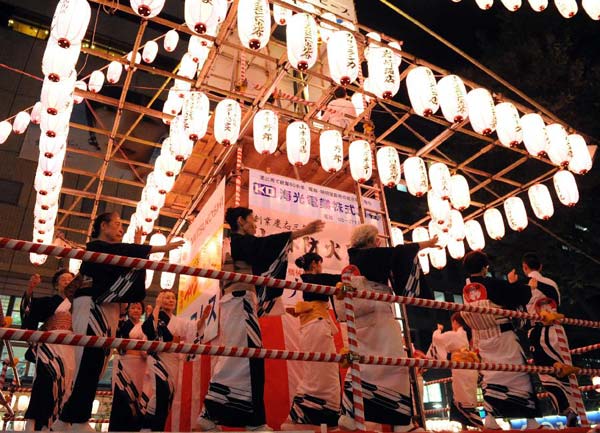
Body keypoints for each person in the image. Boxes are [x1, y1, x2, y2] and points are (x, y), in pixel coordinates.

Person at [197, 207, 325, 431]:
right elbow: (262, 247)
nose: (255, 225)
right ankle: (247, 421)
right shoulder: (236, 243)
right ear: (241, 221)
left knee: (242, 357)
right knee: (247, 357)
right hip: (239, 302)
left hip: (240, 302)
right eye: (252, 220)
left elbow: (261, 252)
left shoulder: (237, 244)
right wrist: (300, 232)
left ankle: (218, 415)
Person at [54, 212, 184, 432]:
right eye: (116, 224)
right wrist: (159, 248)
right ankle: (77, 421)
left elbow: (125, 256)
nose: (120, 229)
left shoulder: (109, 252)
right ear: (103, 226)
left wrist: (141, 248)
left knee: (95, 364)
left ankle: (64, 420)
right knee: (89, 362)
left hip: (105, 308)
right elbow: (123, 252)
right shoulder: (95, 247)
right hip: (93, 307)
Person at [337, 224, 438, 432]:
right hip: (378, 313)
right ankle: (401, 423)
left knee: (364, 364)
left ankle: (350, 415)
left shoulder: (356, 258)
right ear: (373, 240)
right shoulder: (371, 256)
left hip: (363, 318)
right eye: (377, 240)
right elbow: (400, 252)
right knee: (394, 363)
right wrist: (425, 244)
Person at [461, 251, 543, 430]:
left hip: (482, 340)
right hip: (502, 336)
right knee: (519, 375)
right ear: (484, 268)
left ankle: (490, 419)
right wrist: (527, 286)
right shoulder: (492, 284)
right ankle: (531, 421)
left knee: (490, 378)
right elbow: (517, 295)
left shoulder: (466, 289)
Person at [140, 290, 210, 431]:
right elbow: (149, 329)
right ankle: (156, 428)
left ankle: (147, 426)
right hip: (158, 358)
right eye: (166, 298)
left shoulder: (178, 321)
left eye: (173, 298)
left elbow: (192, 328)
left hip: (173, 360)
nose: (171, 300)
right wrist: (157, 307)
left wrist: (202, 319)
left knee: (167, 395)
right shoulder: (157, 315)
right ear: (160, 299)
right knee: (163, 392)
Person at [522, 253, 579, 427]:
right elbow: (557, 304)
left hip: (538, 332)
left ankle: (567, 410)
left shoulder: (524, 287)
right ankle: (575, 409)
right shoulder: (551, 284)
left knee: (547, 374)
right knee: (563, 369)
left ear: (525, 267)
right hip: (558, 331)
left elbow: (521, 315)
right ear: (540, 267)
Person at [285, 252, 341, 427]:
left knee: (318, 370)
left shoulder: (309, 280)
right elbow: (340, 278)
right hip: (316, 326)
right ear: (316, 263)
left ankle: (307, 413)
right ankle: (310, 413)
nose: (321, 267)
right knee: (325, 371)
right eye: (320, 263)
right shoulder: (314, 279)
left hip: (313, 326)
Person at [21, 270, 75, 431]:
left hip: (71, 347)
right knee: (45, 381)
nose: (66, 281)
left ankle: (61, 424)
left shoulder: (80, 304)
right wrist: (30, 290)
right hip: (50, 346)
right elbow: (29, 313)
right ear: (56, 284)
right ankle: (40, 423)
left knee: (68, 383)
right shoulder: (48, 302)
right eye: (63, 279)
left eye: (70, 280)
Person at [427, 314, 482, 429]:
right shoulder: (464, 335)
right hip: (470, 369)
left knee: (462, 398)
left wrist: (438, 330)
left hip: (461, 369)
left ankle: (474, 426)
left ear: (455, 322)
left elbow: (437, 339)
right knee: (465, 398)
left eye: (452, 322)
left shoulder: (455, 335)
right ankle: (465, 427)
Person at [108, 301, 147, 431]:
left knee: (139, 397)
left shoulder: (145, 326)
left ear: (142, 311)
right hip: (125, 362)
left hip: (142, 363)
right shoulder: (122, 324)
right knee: (123, 395)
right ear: (128, 310)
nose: (136, 310)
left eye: (139, 308)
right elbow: (117, 343)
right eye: (133, 308)